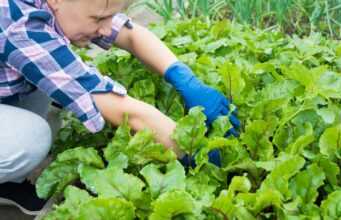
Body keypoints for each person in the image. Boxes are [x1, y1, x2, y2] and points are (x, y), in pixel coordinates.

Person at [0, 0, 240, 215]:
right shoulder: (21, 26)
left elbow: (132, 34)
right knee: (32, 138)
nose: (106, 28)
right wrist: (196, 150)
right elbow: (125, 112)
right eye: (98, 19)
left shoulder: (67, 7)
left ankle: (7, 183)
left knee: (51, 96)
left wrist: (185, 80)